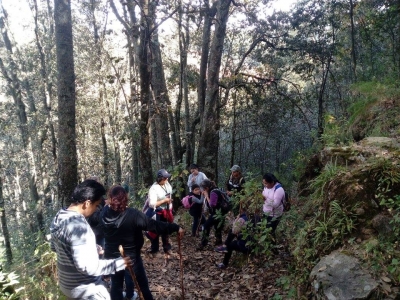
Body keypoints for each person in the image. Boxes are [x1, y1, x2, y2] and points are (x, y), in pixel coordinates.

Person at [50, 179, 132, 300]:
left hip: (68, 287)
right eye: (96, 205)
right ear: (87, 203)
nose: (95, 209)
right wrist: (119, 263)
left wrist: (91, 249)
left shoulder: (59, 217)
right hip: (86, 290)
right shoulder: (78, 226)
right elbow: (88, 267)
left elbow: (55, 247)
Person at [101, 185, 184, 300]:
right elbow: (154, 226)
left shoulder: (104, 213)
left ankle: (129, 295)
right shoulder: (132, 214)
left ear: (110, 198)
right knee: (142, 286)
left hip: (113, 257)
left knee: (116, 286)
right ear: (125, 198)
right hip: (131, 257)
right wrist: (175, 227)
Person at [147, 169, 174, 255]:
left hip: (166, 211)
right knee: (155, 231)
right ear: (160, 179)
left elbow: (169, 194)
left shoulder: (167, 184)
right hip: (157, 212)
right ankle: (154, 249)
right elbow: (152, 204)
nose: (167, 180)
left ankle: (167, 248)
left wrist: (169, 202)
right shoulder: (153, 189)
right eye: (165, 178)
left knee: (166, 230)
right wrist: (164, 201)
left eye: (167, 178)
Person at [197, 179, 226, 250]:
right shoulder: (215, 189)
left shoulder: (213, 192)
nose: (202, 190)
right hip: (220, 213)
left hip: (217, 213)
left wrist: (206, 196)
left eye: (203, 188)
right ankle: (219, 241)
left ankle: (203, 244)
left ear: (206, 188)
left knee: (206, 226)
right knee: (217, 227)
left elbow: (212, 204)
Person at [262, 173, 285, 245]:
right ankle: (270, 247)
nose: (264, 185)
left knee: (270, 232)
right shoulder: (266, 187)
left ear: (272, 182)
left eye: (266, 183)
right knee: (267, 231)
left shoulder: (279, 190)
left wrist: (265, 199)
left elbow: (275, 204)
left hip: (275, 215)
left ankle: (273, 249)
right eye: (264, 183)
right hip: (266, 212)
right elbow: (264, 193)